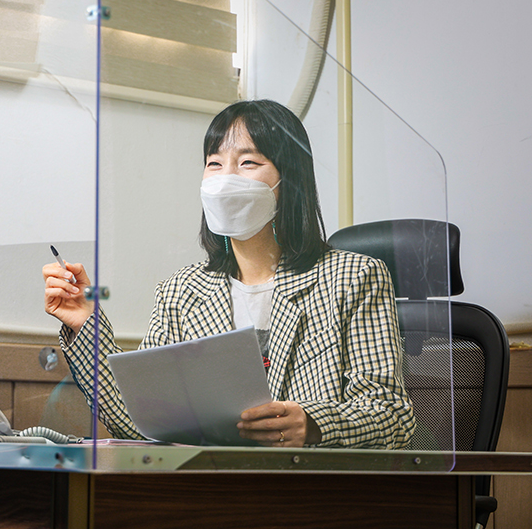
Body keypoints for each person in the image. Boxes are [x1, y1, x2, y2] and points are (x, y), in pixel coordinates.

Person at [43, 99, 414, 449]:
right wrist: (86, 323)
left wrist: (314, 424)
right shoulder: (181, 290)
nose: (225, 179)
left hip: (312, 493)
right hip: (212, 489)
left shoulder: (353, 277)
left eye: (248, 162)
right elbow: (140, 421)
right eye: (214, 164)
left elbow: (392, 415)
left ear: (291, 179)